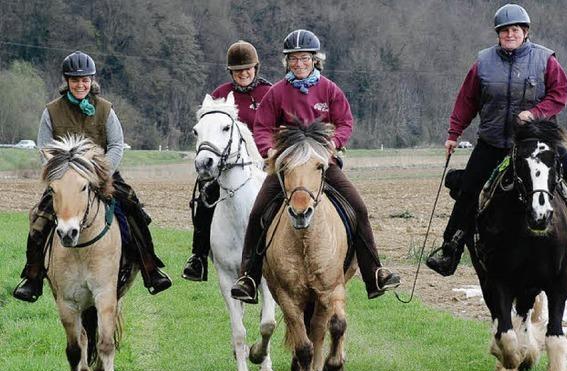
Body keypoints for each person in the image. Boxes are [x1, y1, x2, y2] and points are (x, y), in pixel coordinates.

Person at [426, 3, 567, 276]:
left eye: (515, 30)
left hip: (538, 141)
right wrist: (454, 134)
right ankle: (451, 247)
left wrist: (535, 113)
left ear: (525, 32)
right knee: (469, 190)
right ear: (498, 34)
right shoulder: (483, 63)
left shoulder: (545, 60)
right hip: (495, 141)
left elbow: (559, 94)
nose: (510, 34)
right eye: (504, 31)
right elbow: (467, 101)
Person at [230, 29, 401, 304]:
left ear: (314, 60)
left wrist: (335, 142)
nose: (299, 64)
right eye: (294, 59)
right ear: (287, 62)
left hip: (323, 166)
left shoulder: (329, 89)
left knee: (359, 208)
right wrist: (269, 150)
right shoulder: (276, 93)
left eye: (304, 58)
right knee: (258, 213)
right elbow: (261, 127)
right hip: (287, 168)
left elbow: (345, 121)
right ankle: (248, 277)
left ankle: (374, 273)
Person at [13, 50, 172, 303]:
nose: (80, 84)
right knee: (40, 219)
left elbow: (117, 145)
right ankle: (32, 278)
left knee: (133, 210)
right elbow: (44, 149)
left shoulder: (105, 109)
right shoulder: (51, 111)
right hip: (65, 180)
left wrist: (100, 173)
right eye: (75, 80)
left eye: (85, 79)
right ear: (66, 81)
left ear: (92, 80)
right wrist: (61, 177)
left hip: (102, 175)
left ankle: (150, 269)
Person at [181, 40, 272, 281]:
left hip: (266, 163)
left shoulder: (269, 93)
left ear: (256, 68)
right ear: (231, 72)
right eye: (238, 70)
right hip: (228, 170)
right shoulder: (220, 96)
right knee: (205, 198)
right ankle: (198, 257)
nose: (243, 74)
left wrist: (270, 156)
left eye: (248, 69)